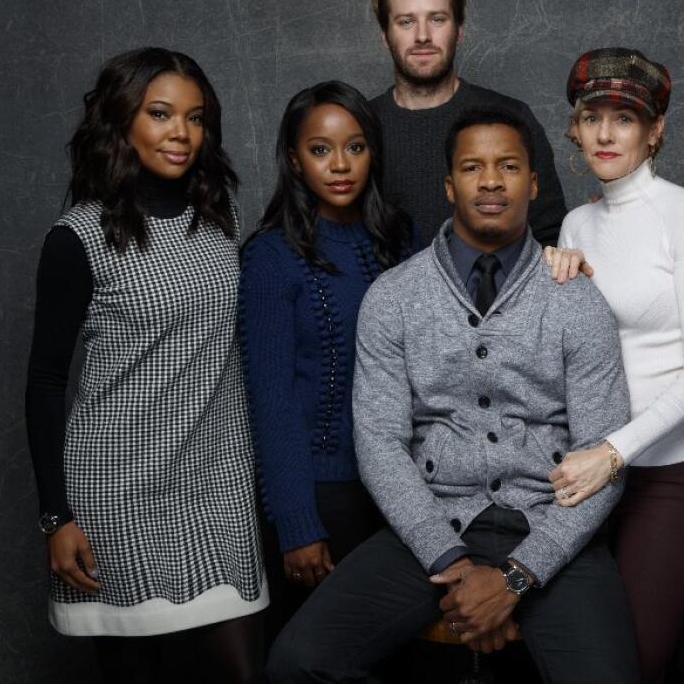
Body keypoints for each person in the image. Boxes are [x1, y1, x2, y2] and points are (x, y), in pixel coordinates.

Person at [267, 106, 641, 683]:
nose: (491, 180)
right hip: (433, 523)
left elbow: (604, 458)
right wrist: (450, 561)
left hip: (552, 527)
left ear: (533, 183)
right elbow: (380, 443)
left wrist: (516, 576)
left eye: (509, 166)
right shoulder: (393, 297)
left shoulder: (577, 300)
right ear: (449, 185)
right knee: (297, 665)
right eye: (472, 167)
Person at [23, 47, 267, 681]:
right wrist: (56, 514)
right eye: (160, 114)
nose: (181, 133)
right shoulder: (77, 237)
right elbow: (46, 382)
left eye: (195, 117)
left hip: (218, 481)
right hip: (119, 487)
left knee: (242, 670)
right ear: (122, 120)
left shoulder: (220, 217)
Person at [544, 48, 684, 683]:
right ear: (574, 127)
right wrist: (554, 281)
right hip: (587, 479)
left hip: (671, 479)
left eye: (623, 119)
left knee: (635, 663)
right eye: (591, 116)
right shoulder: (575, 223)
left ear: (654, 131)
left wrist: (612, 453)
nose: (604, 133)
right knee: (576, 658)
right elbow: (564, 355)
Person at [238, 81, 413, 637]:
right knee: (315, 660)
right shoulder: (271, 256)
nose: (340, 165)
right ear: (294, 158)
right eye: (320, 149)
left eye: (356, 147)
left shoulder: (400, 237)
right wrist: (296, 523)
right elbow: (273, 401)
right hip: (322, 495)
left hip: (403, 489)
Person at [369, 0, 567, 245]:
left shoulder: (509, 118)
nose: (423, 35)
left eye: (437, 19)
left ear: (459, 30)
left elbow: (551, 238)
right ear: (385, 36)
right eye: (406, 22)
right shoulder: (360, 127)